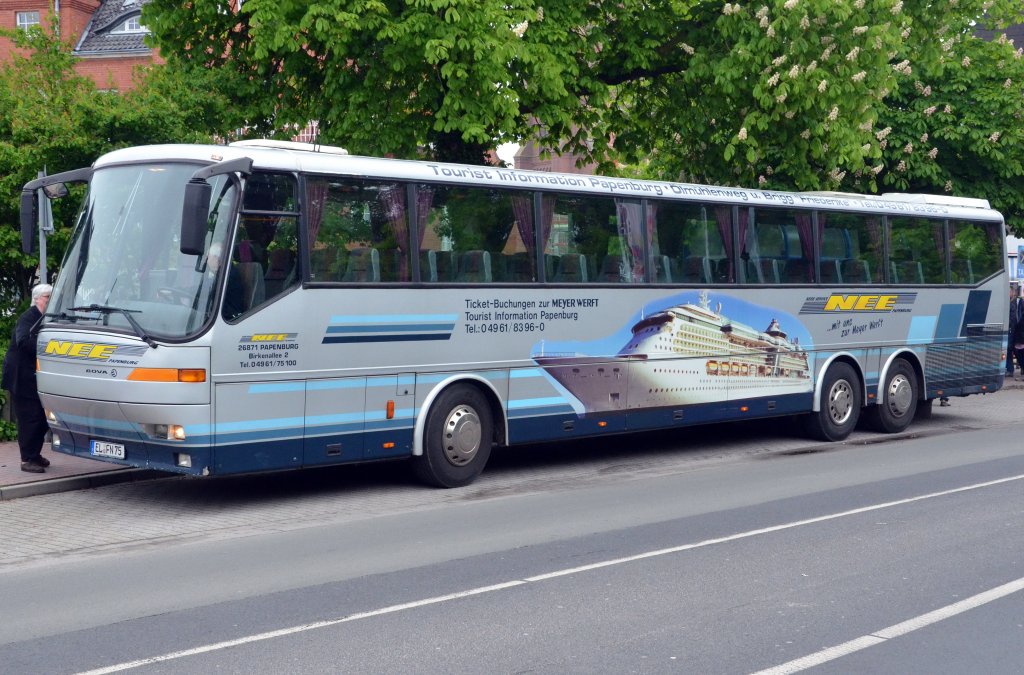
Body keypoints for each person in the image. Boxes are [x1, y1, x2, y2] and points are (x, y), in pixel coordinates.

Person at [1, 284, 52, 472]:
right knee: (30, 418)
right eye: (48, 297)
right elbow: (23, 341)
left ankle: (34, 454)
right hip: (21, 377)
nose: (50, 301)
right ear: (38, 299)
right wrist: (48, 347)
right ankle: (27, 459)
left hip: (31, 377)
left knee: (41, 417)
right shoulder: (28, 317)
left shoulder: (42, 318)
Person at [1008, 284, 1019, 379]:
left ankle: (1010, 370)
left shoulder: (1012, 304)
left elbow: (1012, 319)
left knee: (1008, 349)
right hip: (1011, 330)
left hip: (1011, 331)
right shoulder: (1010, 303)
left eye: (1009, 291)